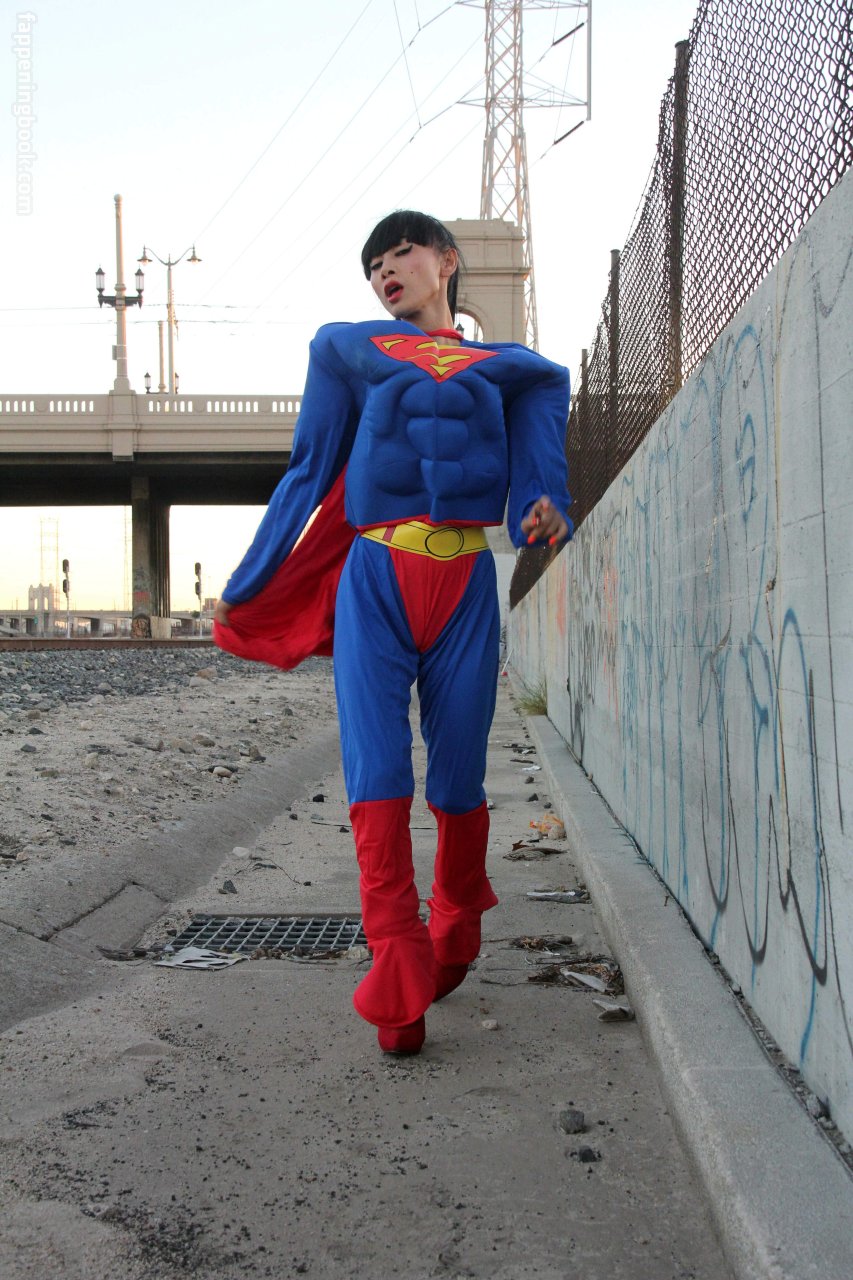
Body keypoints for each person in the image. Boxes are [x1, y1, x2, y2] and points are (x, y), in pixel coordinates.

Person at [214, 210, 571, 1055]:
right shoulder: (348, 348)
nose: (385, 270)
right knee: (376, 768)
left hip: (463, 582)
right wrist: (248, 579)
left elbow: (538, 476)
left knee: (457, 775)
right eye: (374, 263)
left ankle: (455, 917)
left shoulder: (516, 369)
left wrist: (545, 508)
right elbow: (308, 468)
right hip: (374, 578)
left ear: (445, 261)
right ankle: (394, 955)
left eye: (401, 252)